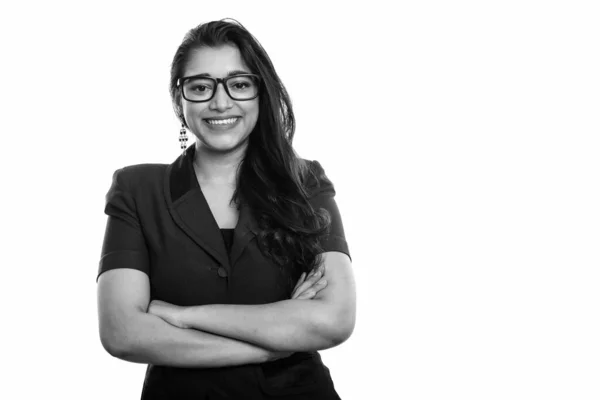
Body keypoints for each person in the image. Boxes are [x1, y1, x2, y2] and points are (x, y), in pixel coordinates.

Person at [96, 18, 356, 400]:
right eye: (200, 87)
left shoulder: (305, 183)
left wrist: (185, 316)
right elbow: (122, 332)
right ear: (178, 99)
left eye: (239, 84)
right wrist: (277, 338)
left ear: (260, 93)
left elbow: (334, 320)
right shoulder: (137, 189)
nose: (220, 102)